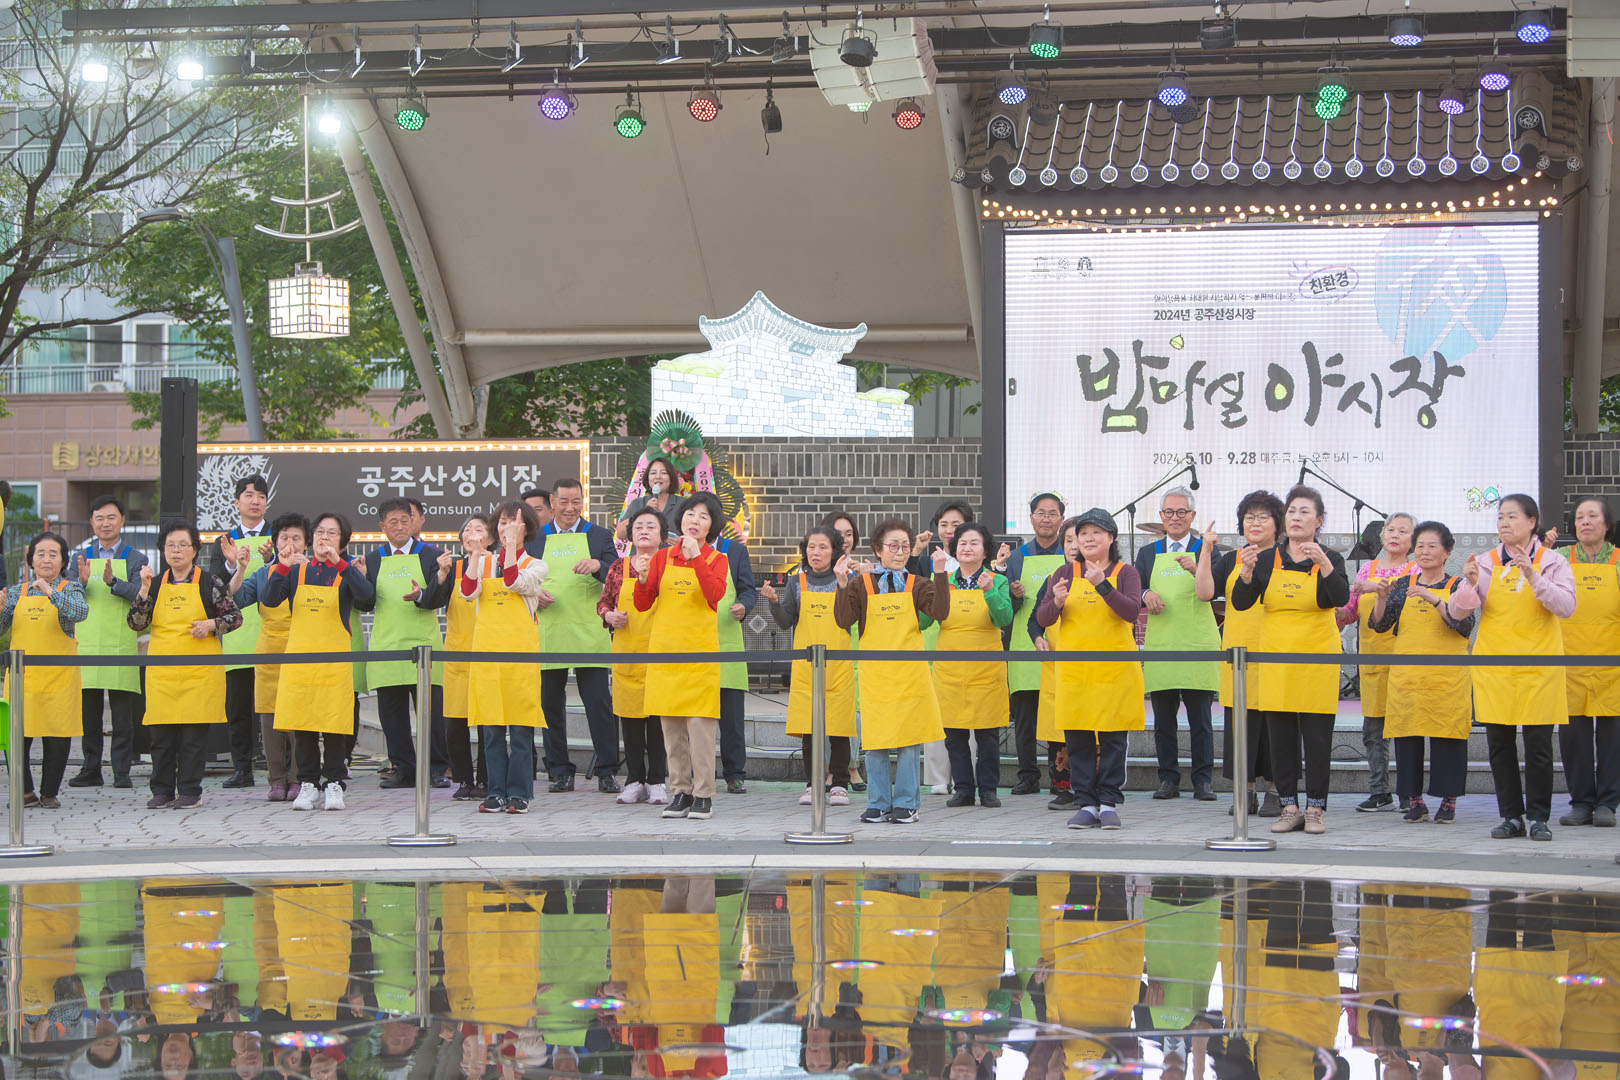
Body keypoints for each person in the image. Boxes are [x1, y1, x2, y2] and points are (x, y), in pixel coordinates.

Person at [1451, 493, 1574, 841]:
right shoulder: (1485, 561)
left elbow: (1566, 607)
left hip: (1539, 666)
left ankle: (1539, 818)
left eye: (1512, 517)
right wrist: (1469, 583)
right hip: (1495, 667)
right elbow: (1458, 612)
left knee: (1538, 747)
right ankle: (1511, 816)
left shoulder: (1552, 561)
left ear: (1532, 522)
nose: (1504, 523)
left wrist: (1533, 575)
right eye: (1500, 517)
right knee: (1499, 746)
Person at [1230, 485, 1350, 836]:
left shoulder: (1331, 557)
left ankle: (1315, 809)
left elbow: (1340, 597)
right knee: (1280, 738)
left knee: (1317, 739)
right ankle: (1289, 807)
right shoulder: (1267, 558)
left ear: (1319, 520)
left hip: (1317, 657)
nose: (1296, 518)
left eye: (1304, 512)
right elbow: (1241, 602)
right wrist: (1247, 574)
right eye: (1292, 512)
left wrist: (1324, 564)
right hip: (1277, 656)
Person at [834, 517, 950, 825]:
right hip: (876, 676)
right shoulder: (861, 584)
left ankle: (907, 803)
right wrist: (842, 584)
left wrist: (940, 573)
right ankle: (878, 803)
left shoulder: (917, 584)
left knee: (909, 743)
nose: (900, 552)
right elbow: (844, 621)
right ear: (877, 549)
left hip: (910, 675)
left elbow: (940, 612)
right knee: (875, 742)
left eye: (905, 547)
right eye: (893, 546)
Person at [1035, 509, 1144, 831]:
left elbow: (1131, 612)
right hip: (1075, 670)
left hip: (1114, 671)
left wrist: (1103, 586)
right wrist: (1055, 602)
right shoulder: (1064, 573)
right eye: (1083, 534)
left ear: (1111, 538)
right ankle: (1085, 804)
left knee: (1113, 738)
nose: (1089, 539)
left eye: (1097, 533)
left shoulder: (1126, 572)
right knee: (1078, 738)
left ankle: (1108, 803)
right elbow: (1043, 619)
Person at [262, 512, 376, 811]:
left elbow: (366, 598)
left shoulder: (346, 571)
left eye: (332, 533)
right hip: (301, 658)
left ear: (343, 542)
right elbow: (270, 599)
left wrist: (340, 563)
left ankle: (335, 783)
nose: (325, 537)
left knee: (334, 723)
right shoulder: (297, 571)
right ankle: (309, 784)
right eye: (320, 532)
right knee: (304, 724)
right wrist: (281, 567)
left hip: (334, 660)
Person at [128, 520, 244, 809]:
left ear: (194, 550)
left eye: (183, 545)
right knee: (161, 737)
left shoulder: (209, 582)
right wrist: (143, 590)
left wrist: (211, 625)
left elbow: (235, 617)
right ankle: (162, 791)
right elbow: (136, 623)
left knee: (193, 738)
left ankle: (191, 791)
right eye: (171, 545)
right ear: (163, 550)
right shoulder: (154, 584)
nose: (176, 550)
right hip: (162, 673)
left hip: (198, 673)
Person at [1369, 520, 1475, 825]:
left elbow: (1463, 625)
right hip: (1409, 677)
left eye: (1432, 546)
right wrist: (1380, 596)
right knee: (1407, 738)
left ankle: (1448, 801)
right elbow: (1380, 624)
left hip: (1446, 678)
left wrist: (1433, 599)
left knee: (1448, 737)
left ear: (1447, 551)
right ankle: (1414, 801)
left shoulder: (1459, 586)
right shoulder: (1403, 584)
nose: (1424, 551)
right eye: (1420, 546)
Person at [633, 491, 730, 821]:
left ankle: (703, 795)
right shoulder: (661, 557)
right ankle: (680, 791)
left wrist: (696, 558)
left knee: (700, 730)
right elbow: (643, 604)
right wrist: (642, 579)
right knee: (672, 732)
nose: (695, 520)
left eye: (703, 516)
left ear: (711, 526)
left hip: (699, 656)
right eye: (690, 514)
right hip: (665, 654)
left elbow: (715, 594)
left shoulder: (717, 559)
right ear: (681, 518)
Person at [528, 478, 623, 793]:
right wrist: (533, 594)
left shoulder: (599, 535)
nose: (570, 508)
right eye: (564, 501)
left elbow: (617, 574)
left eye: (576, 501)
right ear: (552, 502)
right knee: (550, 706)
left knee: (598, 704)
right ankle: (559, 770)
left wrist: (598, 565)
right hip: (549, 630)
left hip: (589, 630)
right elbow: (517, 577)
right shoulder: (535, 537)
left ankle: (607, 770)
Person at [1197, 491, 1284, 817]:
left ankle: (1277, 789)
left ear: (1277, 524)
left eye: (1263, 517)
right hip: (1238, 652)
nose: (1255, 523)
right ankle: (1245, 791)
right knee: (1241, 725)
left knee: (1277, 722)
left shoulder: (1286, 557)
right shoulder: (1232, 559)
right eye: (1249, 517)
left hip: (1275, 651)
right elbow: (1205, 592)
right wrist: (1207, 552)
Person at [464, 501, 549, 815]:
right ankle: (495, 792)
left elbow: (514, 582)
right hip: (487, 653)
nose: (506, 529)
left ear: (527, 528)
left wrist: (511, 549)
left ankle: (520, 793)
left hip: (520, 655)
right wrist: (475, 557)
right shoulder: (483, 562)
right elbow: (467, 591)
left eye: (513, 523)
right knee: (491, 730)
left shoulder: (536, 565)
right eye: (501, 523)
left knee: (521, 729)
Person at [1136, 486, 1220, 803]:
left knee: (1201, 720)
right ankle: (1168, 779)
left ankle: (1202, 781)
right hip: (1163, 643)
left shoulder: (1206, 548)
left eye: (1181, 512)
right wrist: (1146, 594)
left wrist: (1198, 567)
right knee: (1163, 720)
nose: (1175, 517)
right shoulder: (1148, 553)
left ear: (1192, 516)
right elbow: (1136, 587)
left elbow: (1216, 589)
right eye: (1169, 512)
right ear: (1161, 516)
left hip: (1197, 641)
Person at [764, 526, 855, 807]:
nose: (816, 552)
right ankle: (813, 783)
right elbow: (785, 622)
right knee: (809, 728)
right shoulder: (797, 581)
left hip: (838, 664)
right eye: (811, 547)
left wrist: (845, 583)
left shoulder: (846, 579)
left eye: (823, 547)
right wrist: (774, 602)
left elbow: (851, 618)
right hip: (806, 666)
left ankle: (839, 784)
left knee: (839, 727)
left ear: (835, 551)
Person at [365, 496, 453, 790]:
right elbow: (365, 602)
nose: (400, 526)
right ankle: (402, 768)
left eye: (405, 520)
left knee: (431, 714)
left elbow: (438, 600)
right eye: (393, 522)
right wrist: (357, 577)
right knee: (392, 715)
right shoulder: (372, 559)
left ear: (414, 521)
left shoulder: (433, 556)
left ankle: (436, 768)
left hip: (423, 644)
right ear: (382, 526)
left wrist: (423, 593)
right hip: (387, 644)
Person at [0, 532, 88, 808]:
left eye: (53, 554)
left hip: (59, 678)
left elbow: (80, 613)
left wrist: (51, 593)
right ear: (31, 560)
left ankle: (50, 792)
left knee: (57, 735)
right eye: (40, 553)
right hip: (21, 678)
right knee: (16, 736)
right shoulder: (16, 592)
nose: (46, 559)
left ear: (62, 561)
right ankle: (24, 792)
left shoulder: (70, 589)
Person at [68, 495, 148, 790]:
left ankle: (122, 771)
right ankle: (91, 769)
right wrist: (81, 582)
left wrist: (115, 583)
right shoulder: (80, 557)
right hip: (87, 643)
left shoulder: (136, 558)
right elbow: (69, 597)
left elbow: (141, 594)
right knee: (89, 715)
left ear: (122, 521)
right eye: (99, 518)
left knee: (123, 716)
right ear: (91, 522)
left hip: (121, 643)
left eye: (111, 517)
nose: (105, 523)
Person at [1337, 513, 1416, 813]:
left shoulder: (1416, 569)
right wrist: (1333, 610)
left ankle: (1410, 793)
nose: (1394, 535)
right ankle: (1379, 792)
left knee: (1406, 729)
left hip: (1404, 659)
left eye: (1403, 531)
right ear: (1382, 536)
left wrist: (1377, 589)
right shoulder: (1366, 570)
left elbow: (1409, 599)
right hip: (1371, 658)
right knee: (1373, 730)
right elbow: (1350, 612)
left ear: (1413, 539)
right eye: (1390, 530)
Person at [228, 513, 310, 802]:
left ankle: (299, 778)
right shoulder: (263, 574)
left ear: (306, 544)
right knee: (270, 717)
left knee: (299, 717)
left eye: (296, 538)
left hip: (302, 650)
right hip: (270, 651)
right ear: (275, 544)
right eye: (284, 538)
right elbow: (236, 599)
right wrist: (239, 568)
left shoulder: (314, 571)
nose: (290, 544)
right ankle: (276, 780)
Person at [935, 522, 1013, 809]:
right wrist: (935, 579)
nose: (967, 548)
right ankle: (964, 789)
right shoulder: (944, 579)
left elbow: (1004, 618)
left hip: (986, 669)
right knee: (954, 735)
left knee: (988, 734)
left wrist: (990, 590)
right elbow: (926, 618)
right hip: (951, 669)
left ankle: (989, 789)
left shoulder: (997, 580)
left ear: (985, 550)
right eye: (962, 543)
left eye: (974, 543)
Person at [598, 506, 669, 805]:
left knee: (658, 719)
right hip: (627, 648)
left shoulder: (670, 565)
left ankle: (657, 780)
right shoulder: (618, 567)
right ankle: (634, 780)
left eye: (651, 526)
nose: (644, 531)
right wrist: (609, 615)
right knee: (630, 717)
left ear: (662, 535)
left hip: (661, 650)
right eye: (638, 526)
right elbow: (604, 602)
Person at [1557, 496, 1620, 829]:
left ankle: (1608, 803)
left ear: (1607, 524)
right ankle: (1580, 803)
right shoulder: (1559, 559)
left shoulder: (1619, 561)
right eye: (1579, 516)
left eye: (1592, 516)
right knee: (1574, 739)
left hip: (1613, 664)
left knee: (1613, 739)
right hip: (1569, 663)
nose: (1585, 522)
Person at [1003, 493, 1068, 799]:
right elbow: (1007, 608)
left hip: (1060, 643)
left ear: (1061, 519)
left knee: (1058, 716)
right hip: (1024, 644)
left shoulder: (1069, 555)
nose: (1046, 519)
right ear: (1030, 518)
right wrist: (1014, 594)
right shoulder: (1016, 558)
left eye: (1052, 513)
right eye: (1041, 513)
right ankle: (1028, 776)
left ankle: (1060, 777)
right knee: (1025, 719)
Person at [209, 474, 271, 790]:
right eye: (248, 495)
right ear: (237, 502)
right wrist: (232, 565)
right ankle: (242, 768)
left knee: (275, 705)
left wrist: (273, 558)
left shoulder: (278, 537)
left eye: (260, 495)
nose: (255, 501)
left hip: (274, 633)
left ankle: (282, 769)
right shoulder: (224, 542)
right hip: (238, 635)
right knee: (239, 709)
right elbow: (214, 586)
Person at [913, 500, 973, 794]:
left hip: (967, 644)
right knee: (935, 710)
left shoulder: (977, 562)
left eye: (956, 524)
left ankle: (967, 776)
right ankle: (938, 777)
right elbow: (909, 584)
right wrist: (915, 551)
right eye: (944, 525)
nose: (950, 530)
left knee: (968, 711)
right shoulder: (927, 561)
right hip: (932, 640)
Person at [442, 515, 491, 802]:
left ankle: (485, 778)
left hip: (488, 651)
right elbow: (433, 599)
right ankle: (463, 778)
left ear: (490, 538)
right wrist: (438, 577)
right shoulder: (452, 567)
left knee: (487, 720)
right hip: (458, 652)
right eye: (467, 530)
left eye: (479, 529)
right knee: (455, 722)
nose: (471, 533)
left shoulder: (498, 565)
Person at [713, 528, 758, 794]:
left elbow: (748, 590)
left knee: (731, 716)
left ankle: (734, 774)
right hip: (690, 642)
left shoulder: (735, 550)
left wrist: (744, 605)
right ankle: (694, 772)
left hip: (726, 640)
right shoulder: (678, 552)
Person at [615, 458, 681, 541]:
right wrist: (643, 511)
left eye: (664, 473)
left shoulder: (683, 504)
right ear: (648, 478)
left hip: (672, 549)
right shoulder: (637, 503)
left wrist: (681, 542)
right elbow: (621, 534)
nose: (658, 477)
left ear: (671, 478)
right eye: (653, 473)